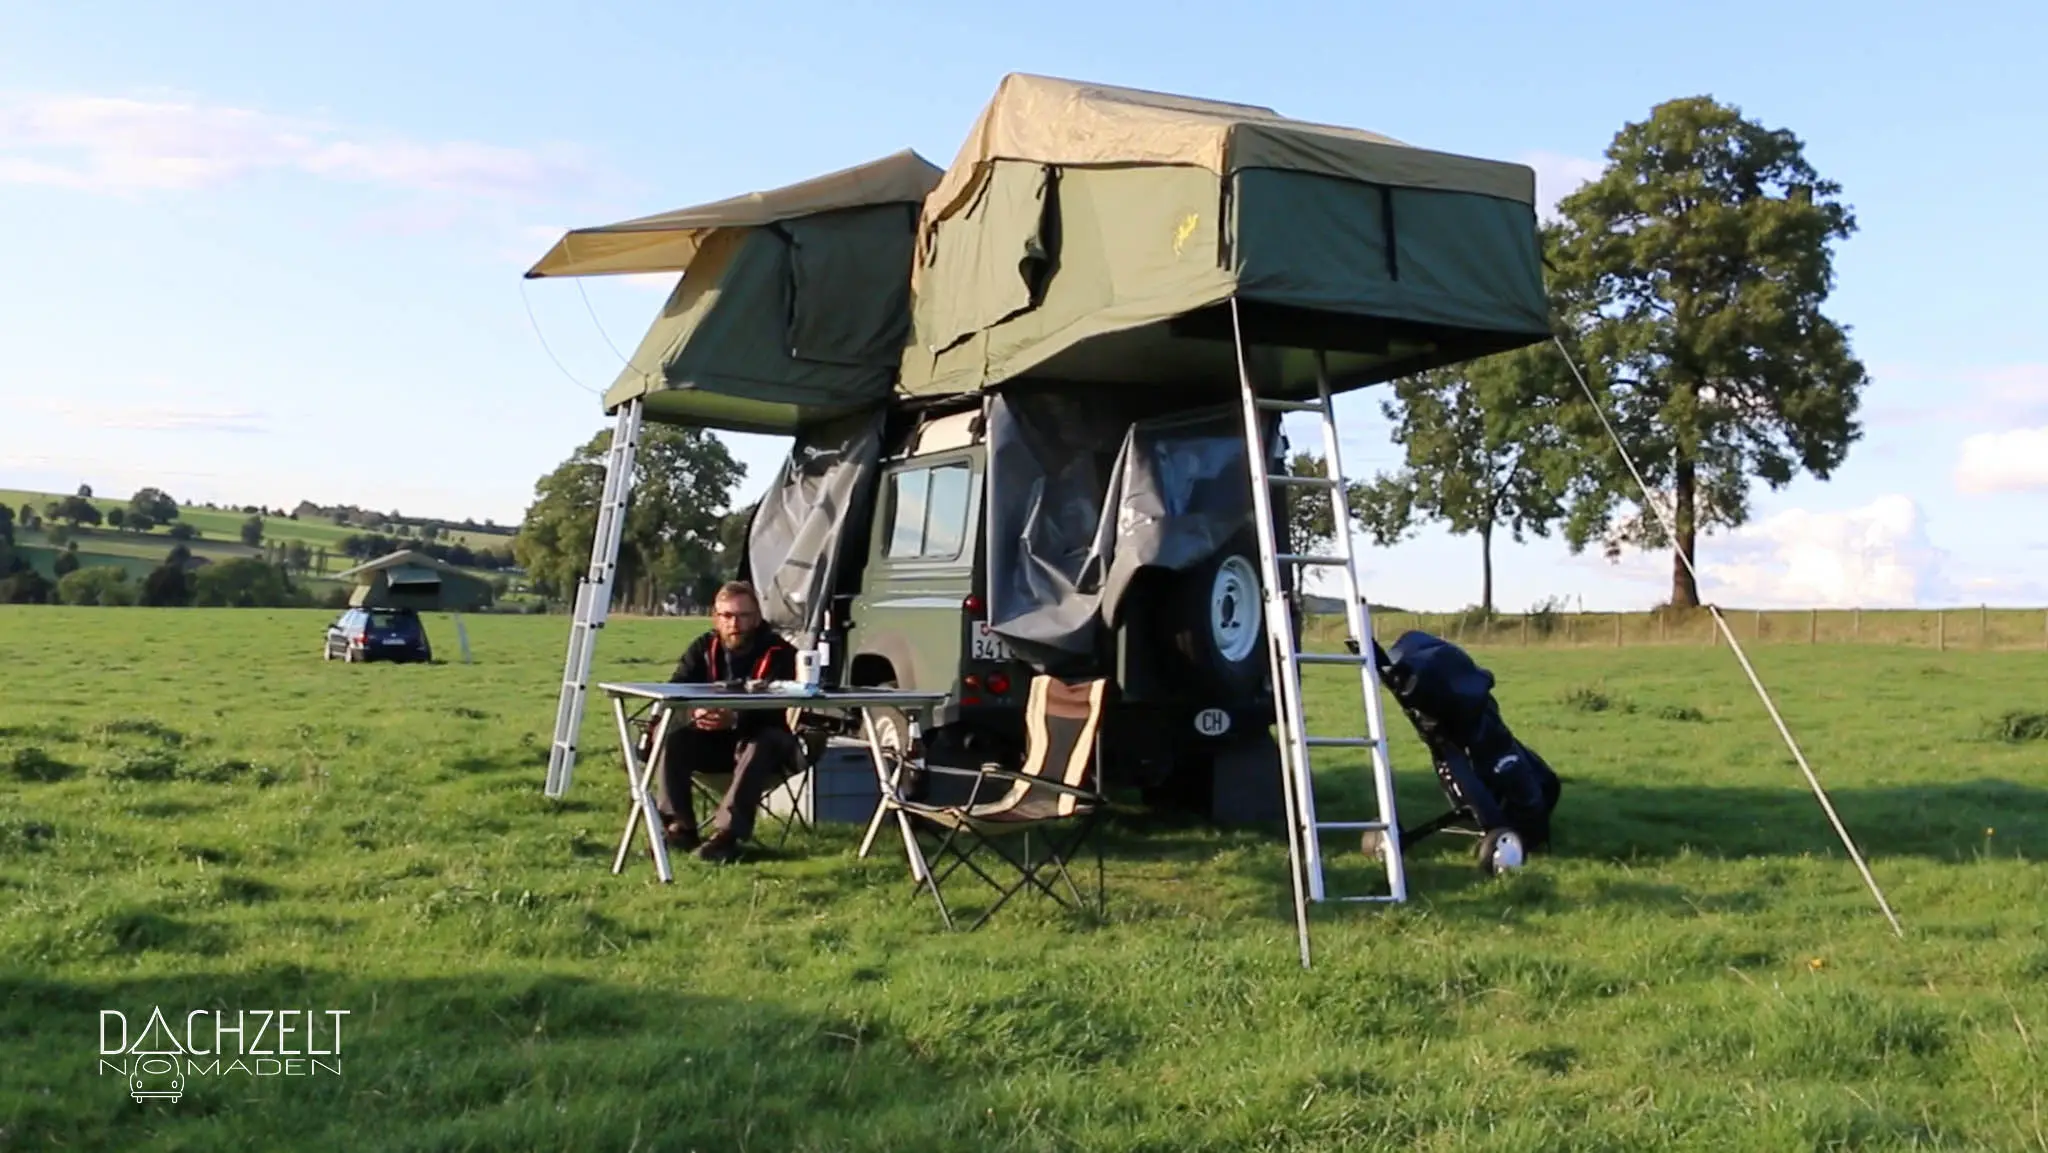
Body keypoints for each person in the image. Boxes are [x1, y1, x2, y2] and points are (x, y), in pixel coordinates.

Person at [652, 580, 799, 864]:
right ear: (716, 618)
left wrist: (735, 718)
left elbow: (780, 708)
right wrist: (696, 713)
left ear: (757, 618)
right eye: (727, 616)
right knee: (673, 738)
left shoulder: (781, 653)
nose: (735, 624)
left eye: (743, 616)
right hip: (714, 742)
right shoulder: (703, 648)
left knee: (761, 742)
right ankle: (680, 827)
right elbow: (676, 689)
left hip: (766, 744)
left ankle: (727, 837)